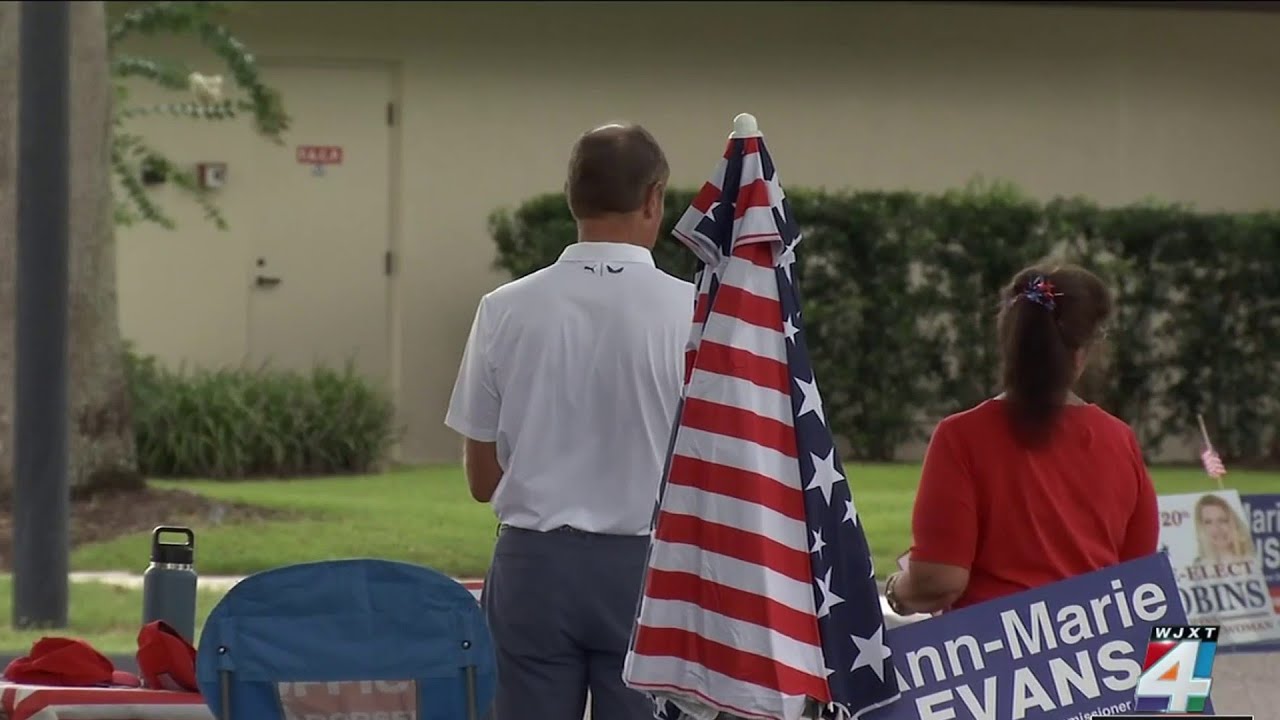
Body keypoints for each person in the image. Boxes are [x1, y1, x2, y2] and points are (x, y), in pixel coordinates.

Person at [444, 123, 695, 720]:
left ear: (570, 197)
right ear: (654, 198)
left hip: (534, 568)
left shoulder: (504, 309)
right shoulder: (695, 312)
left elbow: (483, 481)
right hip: (649, 571)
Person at [884, 262, 1159, 615]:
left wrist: (895, 591)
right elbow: (1139, 582)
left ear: (1009, 341)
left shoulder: (960, 436)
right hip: (1098, 655)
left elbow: (939, 582)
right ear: (1084, 351)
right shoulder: (1121, 439)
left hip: (991, 657)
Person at [1192, 493, 1255, 565]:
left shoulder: (1249, 562)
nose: (1217, 528)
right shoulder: (1198, 565)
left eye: (1222, 520)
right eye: (1208, 522)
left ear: (1234, 524)